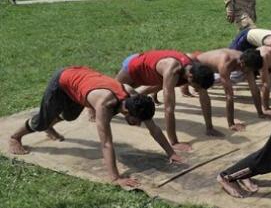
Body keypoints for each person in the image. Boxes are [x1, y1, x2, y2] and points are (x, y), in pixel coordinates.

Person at [8, 66, 182, 187]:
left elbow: (154, 129)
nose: (138, 125)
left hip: (81, 81)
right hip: (62, 82)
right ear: (127, 111)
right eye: (137, 121)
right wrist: (115, 177)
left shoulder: (133, 96)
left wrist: (171, 152)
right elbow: (106, 143)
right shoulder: (105, 105)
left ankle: (49, 123)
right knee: (40, 122)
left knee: (70, 116)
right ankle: (15, 137)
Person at [116, 50, 215, 151]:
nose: (197, 90)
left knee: (130, 97)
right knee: (113, 97)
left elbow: (205, 99)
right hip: (133, 66)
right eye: (196, 87)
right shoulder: (172, 71)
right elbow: (169, 109)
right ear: (190, 77)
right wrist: (174, 142)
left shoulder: (197, 69)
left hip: (147, 70)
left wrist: (210, 128)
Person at [183, 48, 264, 131]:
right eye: (250, 70)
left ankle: (185, 88)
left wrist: (260, 113)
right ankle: (209, 128)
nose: (250, 72)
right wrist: (231, 124)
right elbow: (229, 96)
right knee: (203, 91)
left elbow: (254, 89)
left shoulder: (247, 59)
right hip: (196, 63)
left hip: (205, 60)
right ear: (242, 64)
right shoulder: (226, 63)